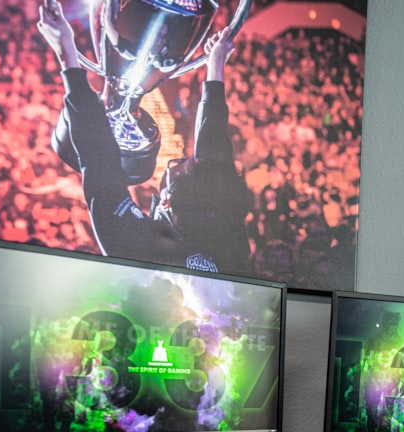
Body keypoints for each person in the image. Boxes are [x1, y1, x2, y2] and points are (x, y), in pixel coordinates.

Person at [37, 0, 251, 273]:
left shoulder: (138, 250)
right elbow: (213, 150)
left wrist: (66, 49)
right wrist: (215, 66)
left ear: (167, 202)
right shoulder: (227, 240)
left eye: (179, 164)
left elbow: (99, 160)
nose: (186, 158)